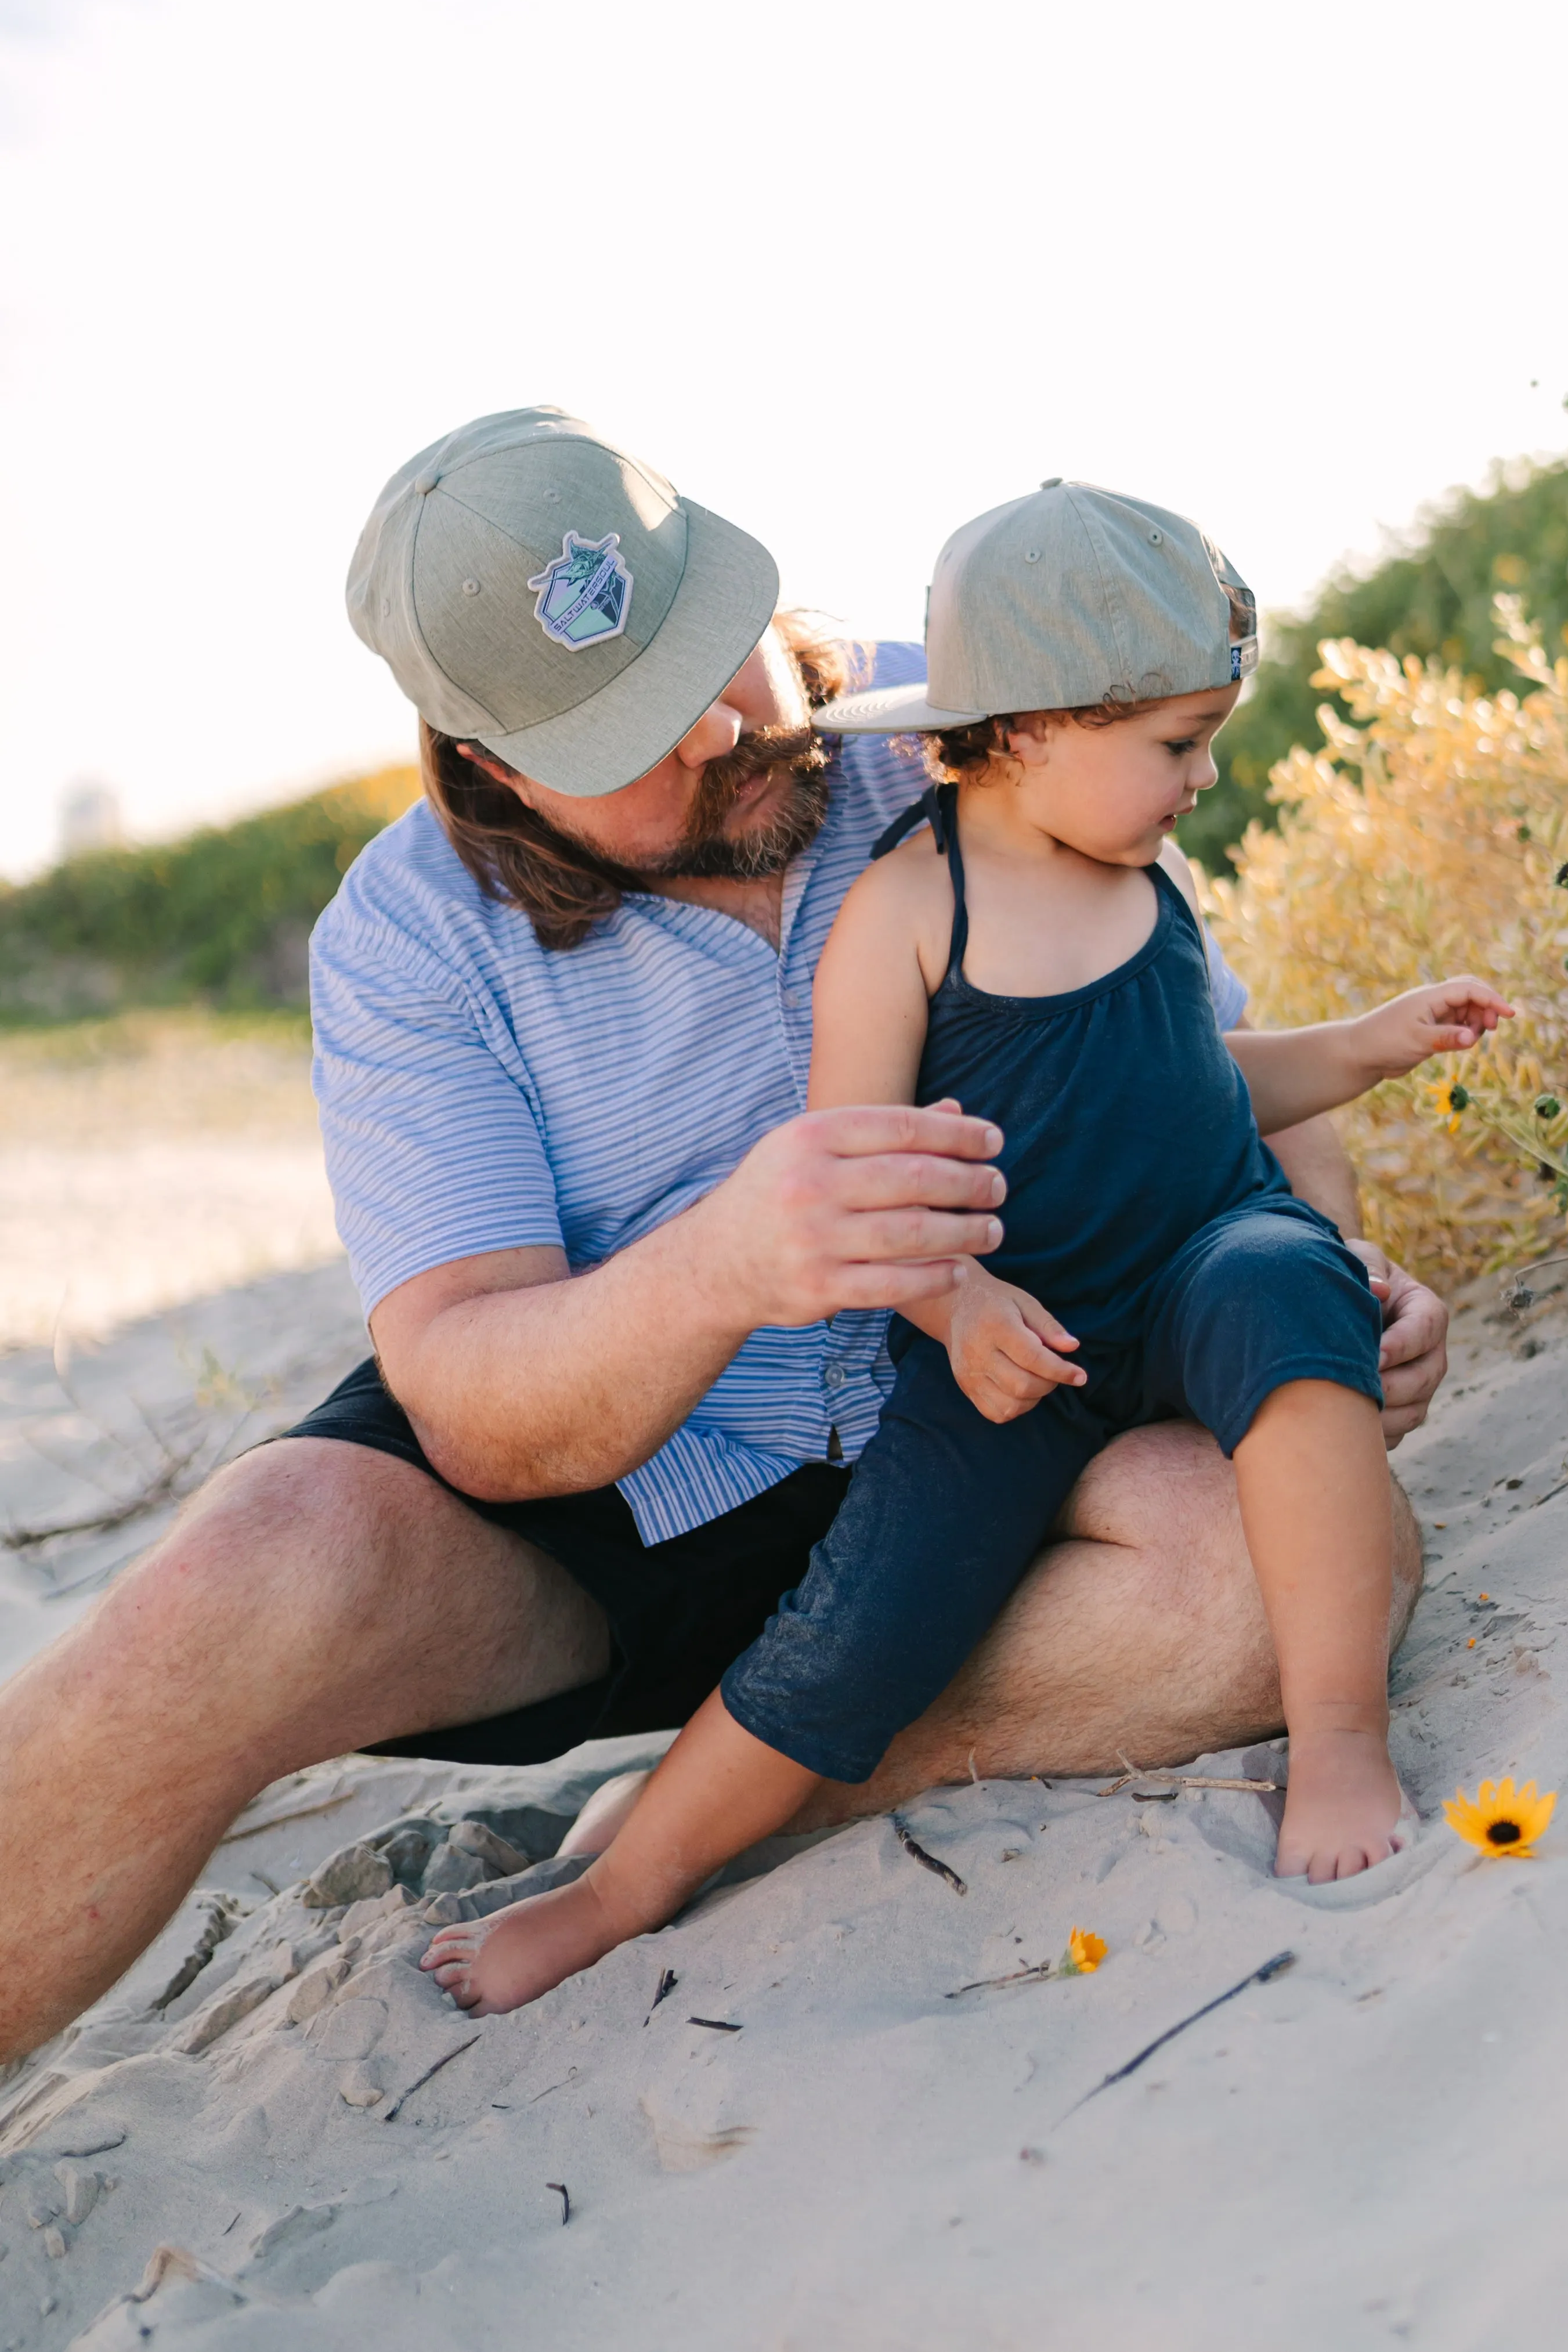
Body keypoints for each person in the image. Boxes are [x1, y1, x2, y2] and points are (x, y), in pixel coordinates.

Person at [0, 413, 1451, 2069]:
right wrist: (725, 1262)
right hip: (620, 1496)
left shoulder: (984, 714)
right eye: (624, 730)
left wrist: (1335, 1268)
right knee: (255, 1561)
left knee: (1256, 1581)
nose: (712, 727)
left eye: (717, 654)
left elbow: (1193, 1045)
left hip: (1006, 1419)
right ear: (488, 766)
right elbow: (473, 1397)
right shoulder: (406, 939)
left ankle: (703, 1800)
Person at [424, 481, 1506, 2015]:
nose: (1203, 778)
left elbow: (1198, 1082)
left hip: (1204, 1247)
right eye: (1176, 746)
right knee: (863, 1615)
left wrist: (1365, 1047)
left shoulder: (1145, 873)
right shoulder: (903, 913)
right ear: (1025, 731)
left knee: (1288, 1292)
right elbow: (851, 1183)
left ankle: (1336, 1740)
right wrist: (957, 1300)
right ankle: (619, 1885)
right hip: (1016, 1330)